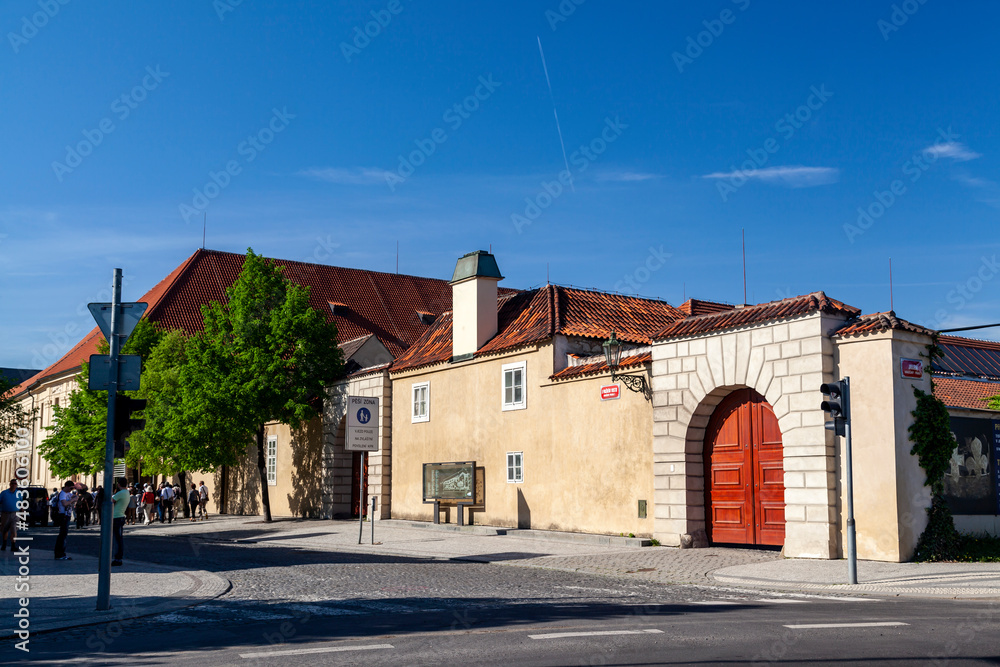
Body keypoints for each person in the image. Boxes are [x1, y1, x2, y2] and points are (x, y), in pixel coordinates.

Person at [54, 480, 76, 560]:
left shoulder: (69, 493)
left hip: (68, 515)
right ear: (66, 486)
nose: (71, 490)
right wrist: (73, 500)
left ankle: (61, 553)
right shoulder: (62, 494)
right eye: (70, 488)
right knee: (62, 535)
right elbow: (64, 503)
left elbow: (74, 498)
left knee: (64, 535)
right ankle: (59, 554)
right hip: (63, 515)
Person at [111, 481, 129, 566]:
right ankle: (118, 557)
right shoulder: (127, 492)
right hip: (121, 516)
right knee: (119, 538)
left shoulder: (121, 493)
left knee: (117, 539)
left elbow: (110, 500)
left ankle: (117, 558)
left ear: (118, 484)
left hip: (116, 516)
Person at [0, 479, 21, 551]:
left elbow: (21, 503)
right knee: (5, 530)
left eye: (15, 484)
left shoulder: (19, 493)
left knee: (14, 530)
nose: (13, 485)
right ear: (10, 484)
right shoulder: (4, 493)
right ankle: (4, 544)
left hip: (15, 514)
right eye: (12, 483)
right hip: (5, 514)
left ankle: (13, 546)